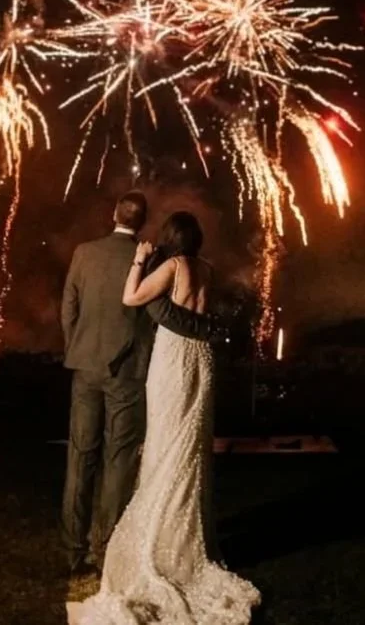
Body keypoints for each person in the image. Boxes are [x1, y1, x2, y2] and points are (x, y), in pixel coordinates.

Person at [75, 211, 260, 625]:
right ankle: (191, 540)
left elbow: (132, 298)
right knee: (191, 443)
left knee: (164, 441)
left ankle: (160, 541)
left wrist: (140, 261)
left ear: (171, 239)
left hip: (175, 355)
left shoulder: (173, 266)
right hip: (202, 358)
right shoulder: (206, 268)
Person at [61, 193, 215, 581]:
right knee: (120, 457)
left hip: (86, 366)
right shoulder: (157, 260)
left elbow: (69, 307)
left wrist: (77, 347)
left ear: (113, 214)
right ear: (144, 221)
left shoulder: (84, 252)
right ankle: (106, 547)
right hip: (128, 372)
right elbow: (153, 313)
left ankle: (72, 550)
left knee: (81, 457)